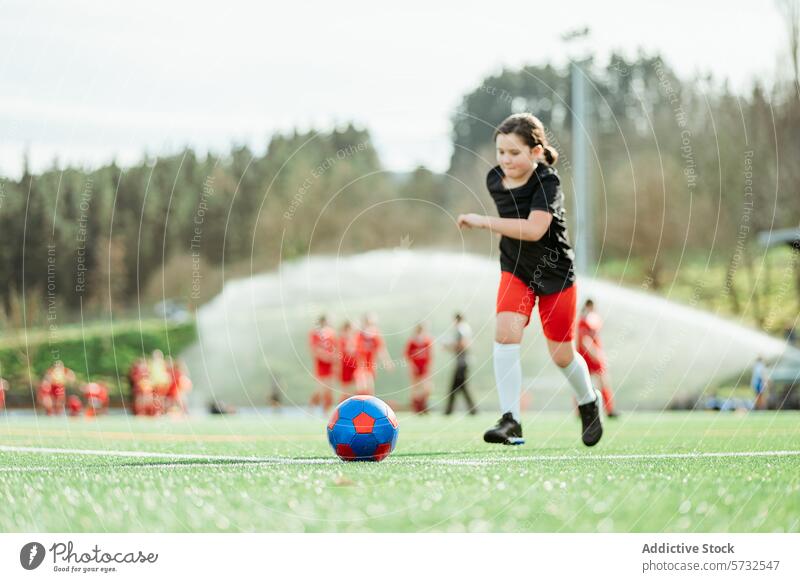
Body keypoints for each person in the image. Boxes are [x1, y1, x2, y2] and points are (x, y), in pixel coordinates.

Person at [457, 112, 602, 447]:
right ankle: (511, 421)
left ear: (535, 152)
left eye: (514, 153)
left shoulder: (548, 183)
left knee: (562, 355)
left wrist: (484, 222)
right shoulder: (495, 179)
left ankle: (588, 401)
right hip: (516, 270)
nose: (505, 160)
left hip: (555, 274)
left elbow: (536, 230)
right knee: (505, 336)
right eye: (501, 152)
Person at [577, 299, 618, 417]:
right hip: (589, 356)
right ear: (589, 307)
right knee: (600, 381)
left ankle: (606, 409)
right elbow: (585, 340)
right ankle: (608, 410)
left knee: (590, 382)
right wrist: (595, 354)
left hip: (590, 355)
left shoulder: (592, 320)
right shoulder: (584, 321)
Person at [444, 313, 477, 415]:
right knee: (461, 387)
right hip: (463, 362)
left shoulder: (461, 329)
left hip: (461, 363)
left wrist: (449, 347)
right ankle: (472, 410)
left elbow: (462, 344)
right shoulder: (466, 328)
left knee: (455, 387)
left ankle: (449, 411)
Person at [354, 313, 394, 395]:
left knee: (370, 390)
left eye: (371, 323)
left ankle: (368, 406)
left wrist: (387, 362)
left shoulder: (375, 336)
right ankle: (359, 406)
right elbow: (354, 349)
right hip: (360, 367)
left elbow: (381, 350)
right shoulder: (359, 335)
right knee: (362, 387)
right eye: (368, 323)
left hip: (370, 367)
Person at [309, 315, 337, 411]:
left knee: (329, 390)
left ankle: (326, 412)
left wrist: (334, 358)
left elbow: (335, 349)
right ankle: (311, 406)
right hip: (320, 366)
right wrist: (325, 357)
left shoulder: (332, 333)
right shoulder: (315, 333)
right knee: (320, 391)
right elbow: (314, 349)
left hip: (330, 366)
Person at [405, 323, 434, 413]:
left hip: (424, 369)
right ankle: (416, 408)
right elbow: (408, 356)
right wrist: (412, 367)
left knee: (427, 388)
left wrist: (428, 367)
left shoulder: (427, 341)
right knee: (416, 388)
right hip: (415, 369)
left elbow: (430, 355)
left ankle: (423, 406)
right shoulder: (412, 342)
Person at [337, 321, 359, 402]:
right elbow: (348, 352)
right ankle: (339, 410)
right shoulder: (342, 340)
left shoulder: (354, 339)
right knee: (345, 392)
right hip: (345, 368)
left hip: (354, 367)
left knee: (356, 390)